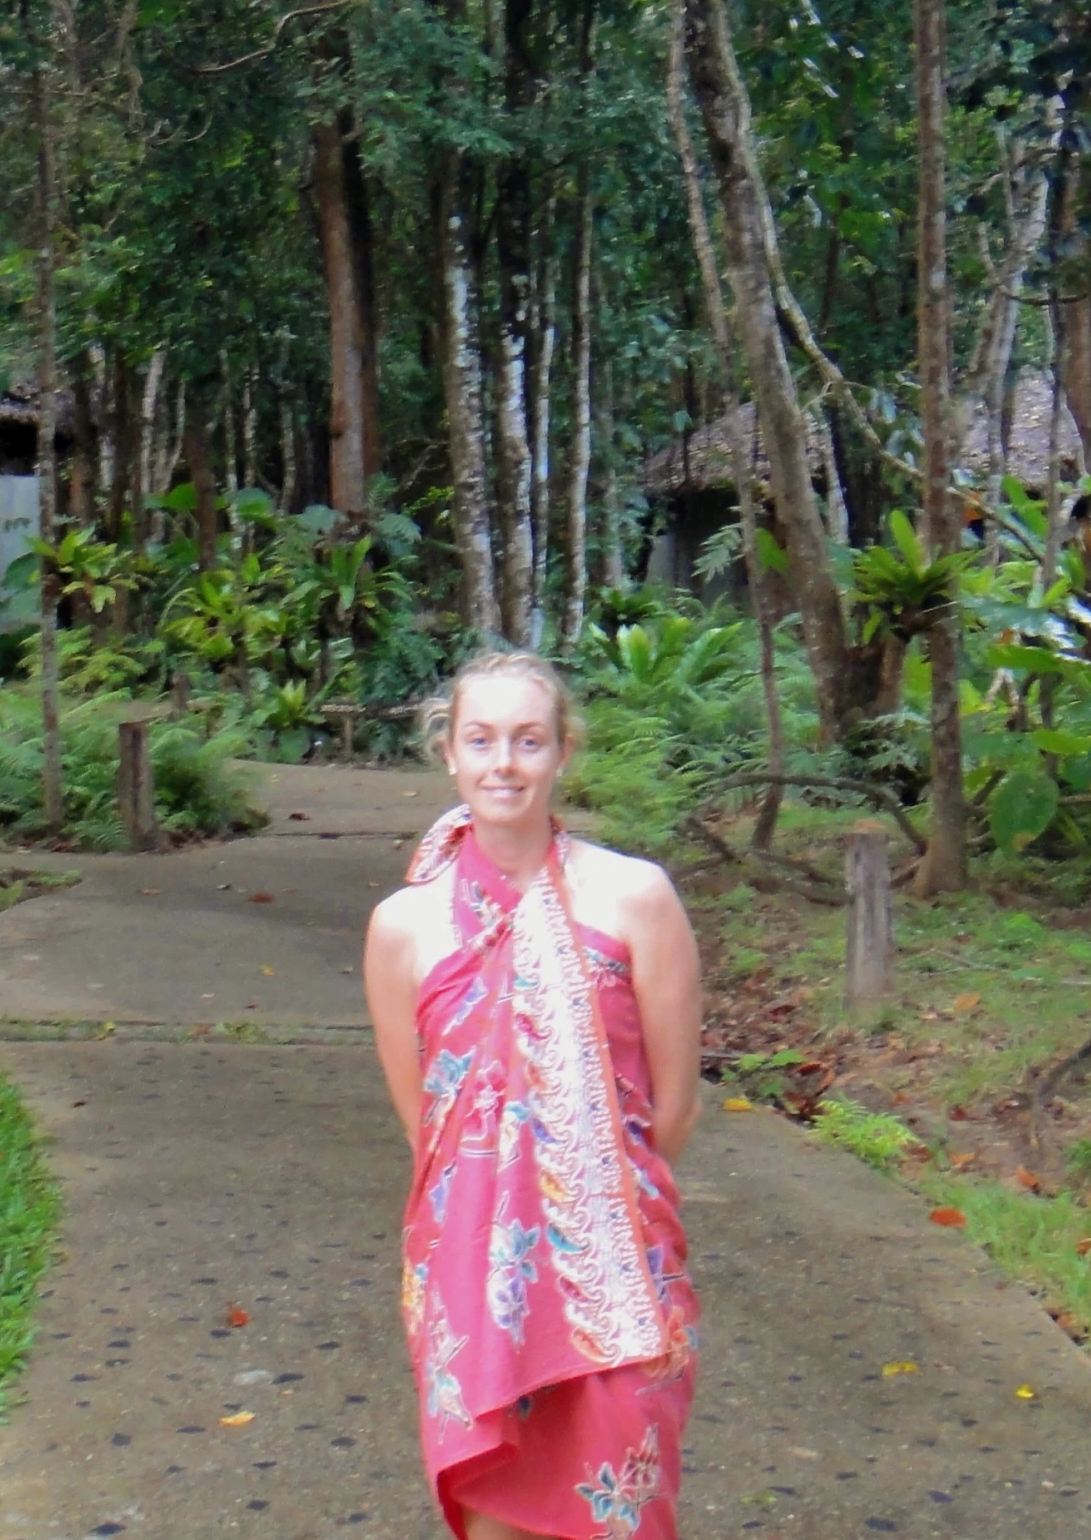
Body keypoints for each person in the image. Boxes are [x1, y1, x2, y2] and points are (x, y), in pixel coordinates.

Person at [363, 651, 703, 1540]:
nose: (502, 763)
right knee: (495, 1513)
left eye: (526, 740)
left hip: (619, 1270)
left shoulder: (636, 896)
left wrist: (587, 1207)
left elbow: (674, 1107)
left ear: (562, 753)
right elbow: (426, 1124)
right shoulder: (403, 925)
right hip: (470, 1267)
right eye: (480, 739)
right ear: (449, 754)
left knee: (618, 1505)